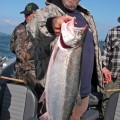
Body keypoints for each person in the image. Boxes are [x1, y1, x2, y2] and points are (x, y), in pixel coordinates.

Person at [27, 0, 110, 119]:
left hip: (83, 96)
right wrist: (52, 24)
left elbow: (92, 47)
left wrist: (101, 67)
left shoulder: (86, 16)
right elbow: (32, 29)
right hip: (57, 96)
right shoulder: (49, 11)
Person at [10, 3, 44, 99]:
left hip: (35, 72)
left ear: (36, 14)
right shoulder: (18, 28)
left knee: (36, 96)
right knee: (18, 95)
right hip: (19, 70)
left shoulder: (43, 30)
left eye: (29, 14)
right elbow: (12, 46)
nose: (26, 17)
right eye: (25, 14)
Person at [101, 17, 120, 117]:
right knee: (107, 100)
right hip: (112, 76)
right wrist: (104, 69)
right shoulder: (112, 32)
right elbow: (105, 54)